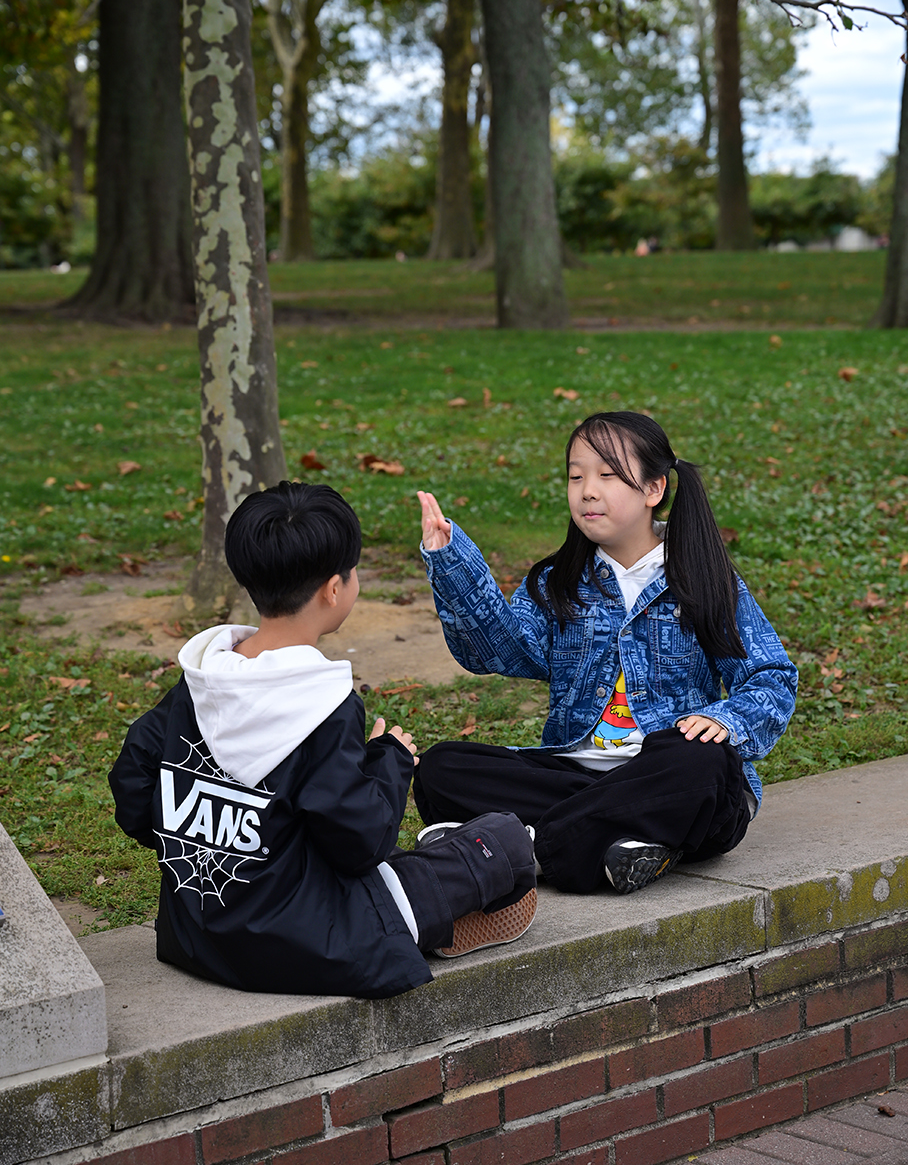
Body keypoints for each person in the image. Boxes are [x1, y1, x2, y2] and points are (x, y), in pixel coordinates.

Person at [109, 482, 536, 1000]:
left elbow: (133, 789)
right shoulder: (321, 705)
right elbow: (359, 845)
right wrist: (389, 761)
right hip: (312, 946)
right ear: (334, 589)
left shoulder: (202, 680)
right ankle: (432, 915)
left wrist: (207, 846)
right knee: (506, 838)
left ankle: (430, 895)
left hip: (196, 934)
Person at [415, 411, 797, 897]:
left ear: (654, 488)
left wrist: (725, 720)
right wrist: (453, 564)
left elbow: (771, 675)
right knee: (441, 768)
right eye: (576, 477)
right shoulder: (557, 582)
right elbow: (500, 652)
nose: (587, 491)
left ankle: (525, 848)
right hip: (576, 777)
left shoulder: (705, 578)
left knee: (705, 764)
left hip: (666, 774)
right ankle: (622, 841)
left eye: (607, 475)